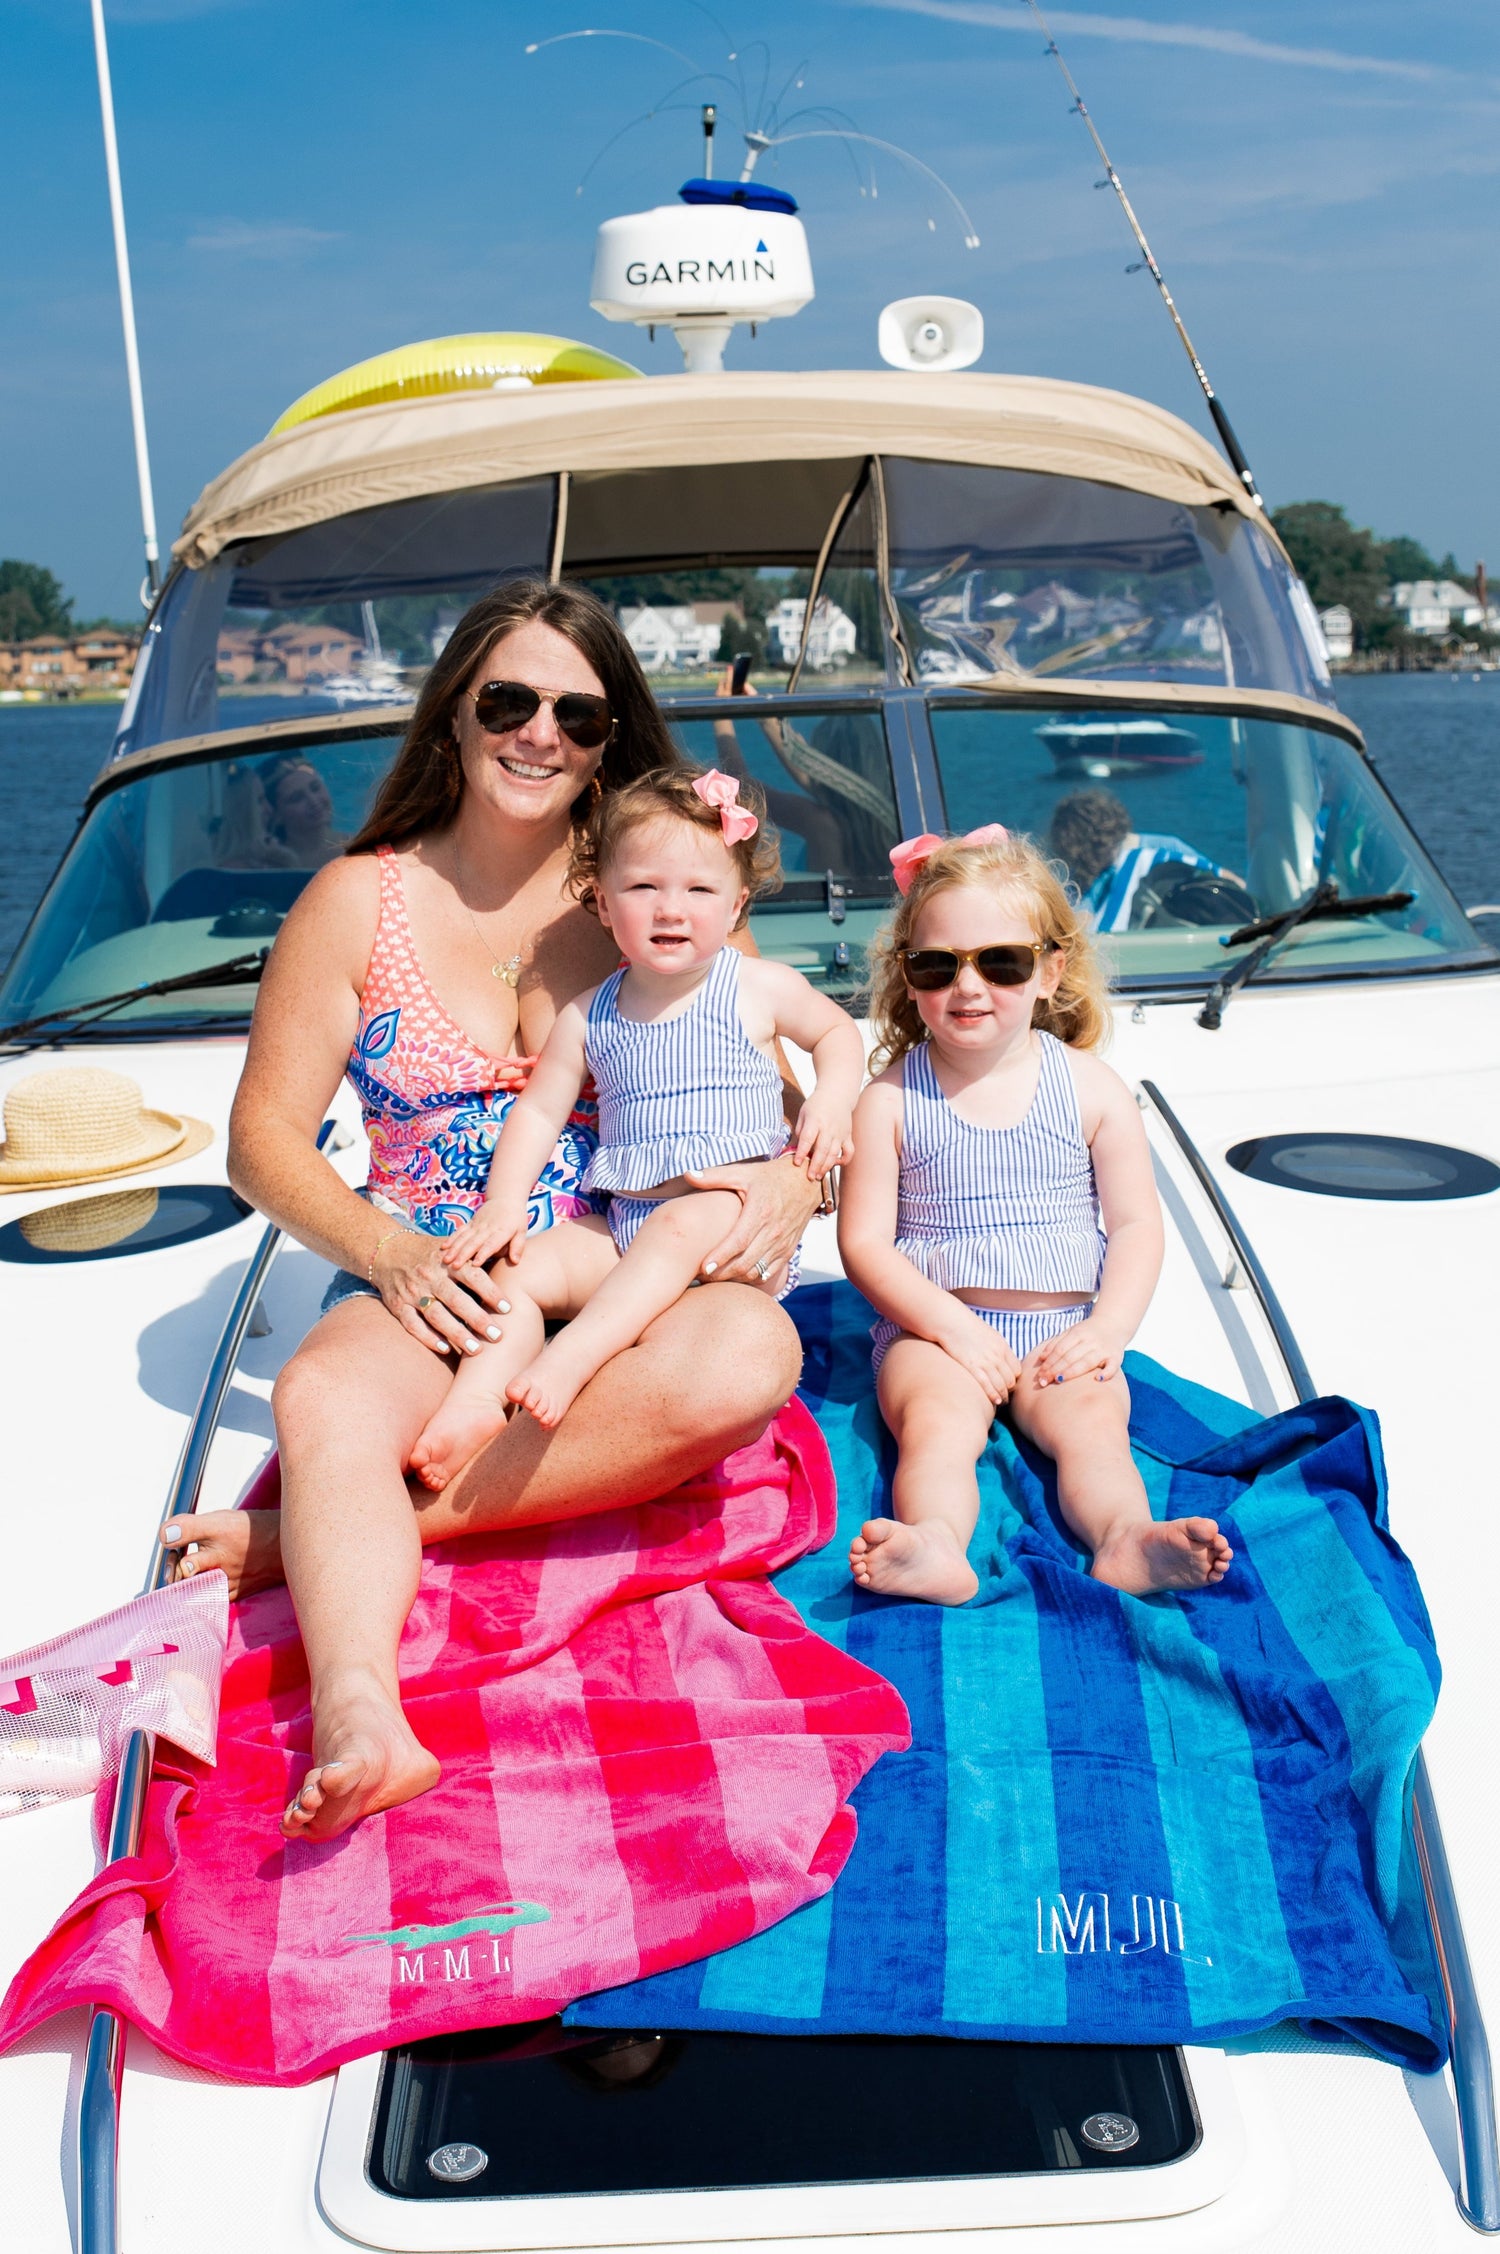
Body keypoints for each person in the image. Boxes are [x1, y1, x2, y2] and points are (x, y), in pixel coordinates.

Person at [158, 579, 820, 1842]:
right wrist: (391, 1255)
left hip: (629, 1256)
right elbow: (259, 1144)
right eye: (509, 701)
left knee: (753, 1355)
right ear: (455, 717)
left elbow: (781, 1104)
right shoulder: (360, 900)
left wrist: (791, 1187)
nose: (540, 734)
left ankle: (312, 1531)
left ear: (608, 741)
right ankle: (364, 1714)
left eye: (576, 715)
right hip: (432, 1255)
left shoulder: (641, 893)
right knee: (321, 1396)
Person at [407, 764, 863, 1483]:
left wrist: (831, 1103)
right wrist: (502, 1206)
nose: (670, 910)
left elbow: (838, 1036)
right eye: (644, 888)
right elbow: (538, 1109)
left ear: (737, 903)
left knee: (676, 1229)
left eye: (699, 890)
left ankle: (573, 1358)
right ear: (602, 903)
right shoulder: (589, 1014)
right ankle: (478, 1399)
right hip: (629, 1224)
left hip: (729, 1217)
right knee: (522, 1271)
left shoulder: (755, 987)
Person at [837, 826, 1233, 1606]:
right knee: (936, 1430)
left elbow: (1135, 1227)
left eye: (1002, 962)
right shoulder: (887, 1100)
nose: (969, 986)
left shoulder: (1091, 1088)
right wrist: (950, 1328)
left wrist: (1108, 1331)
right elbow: (863, 1245)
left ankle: (1125, 1538)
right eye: (936, 965)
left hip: (1062, 1331)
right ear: (908, 977)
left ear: (1051, 970)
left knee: (1092, 1430)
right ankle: (938, 1545)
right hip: (935, 1330)